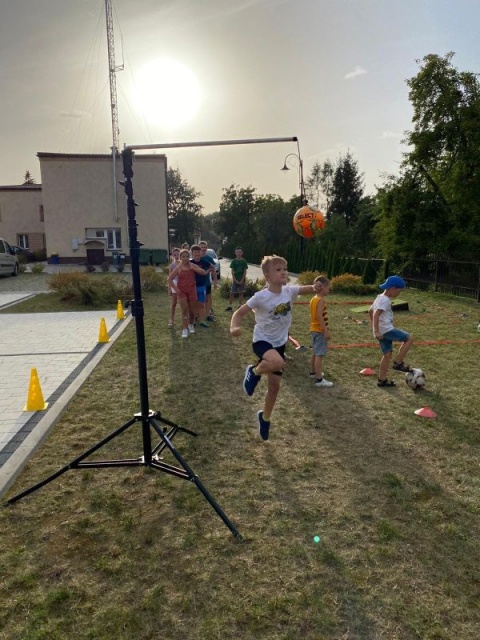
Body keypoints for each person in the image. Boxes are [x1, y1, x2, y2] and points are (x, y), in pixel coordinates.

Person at [230, 254, 324, 441]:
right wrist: (234, 327)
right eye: (278, 269)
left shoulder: (288, 291)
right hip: (262, 341)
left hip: (279, 344)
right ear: (267, 276)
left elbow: (306, 289)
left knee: (274, 388)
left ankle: (264, 418)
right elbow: (238, 313)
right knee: (278, 362)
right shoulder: (261, 297)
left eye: (285, 269)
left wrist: (315, 287)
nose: (283, 272)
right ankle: (254, 372)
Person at [369, 275, 413, 387]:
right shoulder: (385, 300)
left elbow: (370, 311)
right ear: (393, 288)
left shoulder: (379, 297)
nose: (399, 293)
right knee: (409, 338)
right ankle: (398, 363)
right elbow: (376, 314)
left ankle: (382, 380)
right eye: (399, 291)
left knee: (387, 354)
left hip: (381, 331)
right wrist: (376, 330)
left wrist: (376, 327)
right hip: (386, 330)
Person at [168, 249, 208, 338]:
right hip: (182, 291)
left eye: (187, 256)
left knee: (192, 311)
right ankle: (185, 329)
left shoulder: (192, 265)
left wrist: (195, 268)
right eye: (183, 256)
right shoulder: (178, 268)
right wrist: (176, 289)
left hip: (192, 290)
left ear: (189, 257)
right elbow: (169, 279)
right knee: (184, 310)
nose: (185, 258)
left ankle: (190, 324)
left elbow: (203, 272)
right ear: (180, 258)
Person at [309, 275, 334, 387]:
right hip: (319, 330)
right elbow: (319, 316)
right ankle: (319, 379)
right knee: (320, 354)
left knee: (315, 352)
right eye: (328, 287)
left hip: (313, 329)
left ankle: (313, 372)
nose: (329, 290)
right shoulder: (321, 300)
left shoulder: (313, 299)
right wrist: (325, 331)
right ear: (322, 287)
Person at [190, 244, 212, 328]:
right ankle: (193, 321)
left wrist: (206, 272)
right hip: (192, 286)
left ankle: (202, 320)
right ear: (192, 253)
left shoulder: (204, 262)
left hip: (202, 285)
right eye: (195, 252)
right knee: (193, 304)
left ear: (200, 252)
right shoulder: (190, 262)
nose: (197, 254)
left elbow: (212, 267)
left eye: (198, 252)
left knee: (201, 304)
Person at [199, 240, 218, 321]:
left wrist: (215, 282)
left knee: (208, 298)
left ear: (206, 248)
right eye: (201, 247)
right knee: (199, 299)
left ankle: (208, 314)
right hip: (198, 283)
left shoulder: (209, 258)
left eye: (205, 247)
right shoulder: (196, 258)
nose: (203, 248)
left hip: (207, 282)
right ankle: (198, 313)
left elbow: (213, 271)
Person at [225, 247, 248, 311]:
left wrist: (242, 280)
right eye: (237, 252)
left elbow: (245, 271)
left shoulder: (244, 261)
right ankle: (230, 306)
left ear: (242, 253)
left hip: (242, 280)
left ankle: (240, 306)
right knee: (232, 293)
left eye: (240, 252)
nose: (238, 253)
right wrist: (234, 279)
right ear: (235, 253)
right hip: (235, 280)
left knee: (241, 293)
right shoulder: (233, 261)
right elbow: (232, 271)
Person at [167, 247, 180, 328]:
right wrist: (169, 289)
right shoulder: (172, 265)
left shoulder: (183, 264)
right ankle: (171, 320)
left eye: (178, 254)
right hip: (174, 284)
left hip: (183, 284)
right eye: (175, 255)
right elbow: (170, 278)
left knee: (184, 303)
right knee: (174, 303)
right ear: (172, 256)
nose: (176, 256)